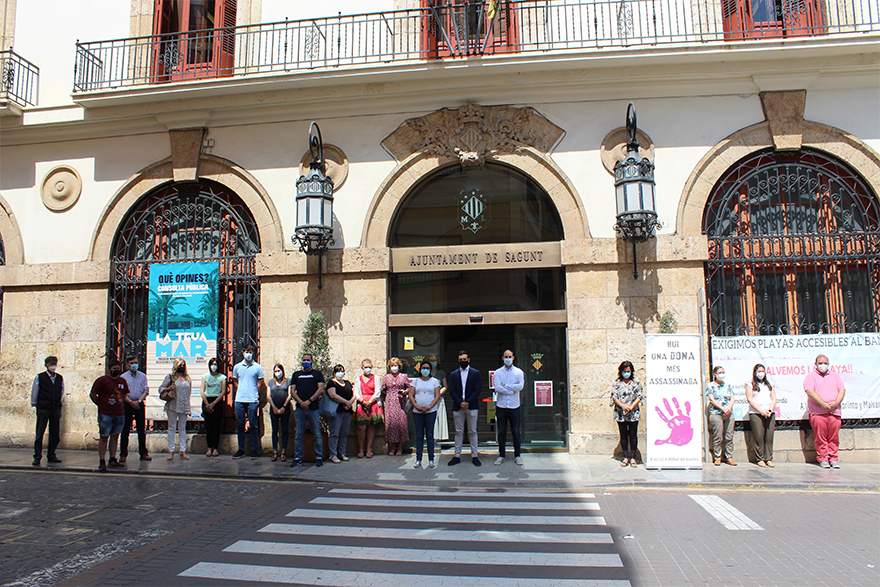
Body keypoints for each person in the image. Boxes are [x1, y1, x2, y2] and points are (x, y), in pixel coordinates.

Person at [804, 354, 846, 469]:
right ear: (816, 364)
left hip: (834, 412)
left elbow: (842, 390)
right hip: (818, 413)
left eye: (825, 363)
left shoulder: (835, 376)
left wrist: (836, 402)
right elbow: (809, 391)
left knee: (833, 437)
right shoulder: (811, 376)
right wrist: (822, 404)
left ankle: (833, 458)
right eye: (821, 363)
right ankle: (823, 458)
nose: (823, 365)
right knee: (820, 437)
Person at [89, 359, 128, 472]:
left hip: (119, 413)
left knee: (115, 436)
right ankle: (102, 460)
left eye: (118, 368)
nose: (117, 370)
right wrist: (100, 404)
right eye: (114, 368)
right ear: (109, 369)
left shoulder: (122, 381)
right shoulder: (102, 381)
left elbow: (125, 393)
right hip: (106, 413)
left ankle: (112, 458)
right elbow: (93, 394)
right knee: (104, 436)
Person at [447, 350, 483, 466]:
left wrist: (467, 402)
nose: (463, 361)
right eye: (461, 360)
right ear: (458, 361)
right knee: (458, 432)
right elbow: (451, 390)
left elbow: (477, 390)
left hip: (472, 406)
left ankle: (475, 455)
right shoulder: (453, 374)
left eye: (465, 359)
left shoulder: (475, 373)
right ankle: (457, 455)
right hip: (458, 407)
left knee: (472, 431)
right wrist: (460, 402)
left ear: (469, 360)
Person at [290, 353, 325, 467]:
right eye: (304, 360)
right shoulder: (296, 374)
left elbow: (320, 389)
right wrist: (301, 402)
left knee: (317, 433)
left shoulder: (317, 374)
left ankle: (319, 457)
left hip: (313, 408)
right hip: (300, 409)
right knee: (299, 434)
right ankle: (298, 457)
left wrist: (309, 401)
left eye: (308, 360)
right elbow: (292, 391)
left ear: (312, 361)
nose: (306, 362)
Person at [231, 344, 266, 459]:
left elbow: (261, 382)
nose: (249, 354)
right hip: (240, 399)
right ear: (243, 353)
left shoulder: (257, 367)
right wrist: (240, 389)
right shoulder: (237, 367)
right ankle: (241, 449)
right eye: (247, 351)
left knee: (253, 425)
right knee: (240, 425)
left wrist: (256, 392)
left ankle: (254, 449)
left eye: (251, 351)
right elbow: (235, 380)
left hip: (252, 399)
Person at [31, 356, 65, 467]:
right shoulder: (40, 377)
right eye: (51, 363)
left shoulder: (59, 378)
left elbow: (61, 391)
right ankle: (37, 456)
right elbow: (35, 391)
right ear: (46, 365)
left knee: (54, 432)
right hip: (44, 407)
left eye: (55, 363)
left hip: (55, 407)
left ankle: (51, 454)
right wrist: (35, 404)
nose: (53, 366)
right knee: (40, 432)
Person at [494, 349, 525, 466]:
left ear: (513, 357)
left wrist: (505, 386)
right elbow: (497, 388)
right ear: (502, 358)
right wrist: (512, 389)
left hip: (514, 406)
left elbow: (520, 386)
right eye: (505, 356)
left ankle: (517, 455)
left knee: (516, 431)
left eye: (509, 356)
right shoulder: (497, 373)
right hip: (501, 406)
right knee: (502, 432)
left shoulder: (518, 372)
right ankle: (501, 455)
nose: (507, 358)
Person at [408, 360, 441, 468]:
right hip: (417, 412)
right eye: (423, 368)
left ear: (430, 370)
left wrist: (429, 407)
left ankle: (431, 459)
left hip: (430, 411)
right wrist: (417, 407)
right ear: (420, 369)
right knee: (419, 436)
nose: (425, 370)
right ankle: (418, 459)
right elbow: (411, 395)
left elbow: (437, 396)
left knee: (430, 435)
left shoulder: (434, 381)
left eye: (427, 368)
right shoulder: (416, 381)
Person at [610, 360, 643, 467]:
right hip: (621, 413)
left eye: (628, 371)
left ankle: (633, 457)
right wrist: (623, 406)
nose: (626, 373)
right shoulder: (617, 383)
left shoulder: (636, 382)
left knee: (633, 435)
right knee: (623, 435)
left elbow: (639, 396)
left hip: (633, 413)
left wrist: (631, 406)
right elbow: (614, 397)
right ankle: (625, 457)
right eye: (624, 371)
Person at [159, 357, 192, 460]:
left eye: (183, 365)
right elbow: (160, 389)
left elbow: (189, 393)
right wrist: (169, 388)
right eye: (179, 365)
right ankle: (171, 451)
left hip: (184, 405)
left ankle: (183, 450)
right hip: (173, 405)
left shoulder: (187, 378)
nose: (181, 367)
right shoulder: (170, 377)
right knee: (172, 427)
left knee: (182, 428)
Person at [745, 363, 777, 467]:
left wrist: (770, 409)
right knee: (759, 436)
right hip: (756, 413)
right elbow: (750, 399)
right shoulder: (750, 384)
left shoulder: (769, 384)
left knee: (769, 436)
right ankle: (760, 458)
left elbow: (774, 398)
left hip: (769, 413)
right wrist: (761, 411)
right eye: (759, 371)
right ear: (755, 373)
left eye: (762, 371)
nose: (761, 373)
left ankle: (769, 458)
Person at [120, 356, 151, 463]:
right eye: (132, 363)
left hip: (139, 403)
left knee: (141, 430)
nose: (134, 365)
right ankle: (123, 454)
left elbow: (146, 390)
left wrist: (139, 401)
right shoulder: (123, 377)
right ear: (128, 364)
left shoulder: (142, 376)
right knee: (125, 430)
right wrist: (131, 402)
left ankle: (143, 453)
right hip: (127, 403)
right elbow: (122, 393)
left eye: (136, 362)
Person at [706, 365, 736, 466]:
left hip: (728, 413)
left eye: (723, 372)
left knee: (729, 436)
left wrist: (729, 408)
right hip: (716, 413)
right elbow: (712, 399)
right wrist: (722, 408)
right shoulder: (711, 385)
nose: (721, 374)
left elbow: (732, 397)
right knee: (718, 436)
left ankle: (729, 457)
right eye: (719, 373)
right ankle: (717, 457)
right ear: (715, 374)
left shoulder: (728, 385)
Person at [326, 364, 355, 463]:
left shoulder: (347, 383)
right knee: (334, 433)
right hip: (336, 412)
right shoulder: (332, 383)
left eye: (342, 370)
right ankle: (333, 454)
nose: (340, 373)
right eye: (338, 371)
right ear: (334, 373)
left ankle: (342, 453)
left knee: (344, 433)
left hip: (347, 411)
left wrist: (350, 403)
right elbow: (333, 395)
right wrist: (345, 402)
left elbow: (354, 394)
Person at [354, 359, 383, 458]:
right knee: (361, 427)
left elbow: (378, 391)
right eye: (366, 367)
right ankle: (360, 449)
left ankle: (369, 448)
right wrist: (363, 401)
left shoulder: (376, 378)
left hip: (373, 403)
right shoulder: (358, 379)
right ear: (362, 368)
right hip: (362, 404)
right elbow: (356, 392)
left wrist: (370, 401)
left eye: (369, 367)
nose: (368, 369)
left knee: (371, 426)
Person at [381, 357, 409, 456]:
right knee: (392, 424)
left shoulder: (404, 376)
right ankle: (393, 447)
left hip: (400, 402)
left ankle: (400, 447)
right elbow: (383, 389)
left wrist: (405, 391)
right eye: (392, 366)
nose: (394, 367)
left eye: (395, 365)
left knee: (401, 424)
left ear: (399, 366)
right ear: (389, 367)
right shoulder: (386, 377)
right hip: (390, 402)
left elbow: (409, 388)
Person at [200, 357, 227, 457]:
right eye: (212, 364)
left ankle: (215, 448)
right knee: (208, 426)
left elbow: (223, 391)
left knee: (216, 426)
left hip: (217, 402)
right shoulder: (205, 376)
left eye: (215, 364)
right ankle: (209, 447)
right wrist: (207, 404)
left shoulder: (222, 377)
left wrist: (214, 403)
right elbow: (202, 390)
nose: (213, 366)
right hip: (207, 400)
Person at [267, 363, 291, 462]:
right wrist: (273, 407)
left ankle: (283, 452)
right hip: (274, 409)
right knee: (274, 430)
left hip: (285, 409)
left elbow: (290, 395)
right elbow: (268, 396)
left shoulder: (288, 381)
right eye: (275, 371)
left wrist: (284, 406)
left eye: (279, 371)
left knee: (284, 429)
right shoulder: (270, 382)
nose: (277, 373)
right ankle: (275, 452)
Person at [425, 354, 449, 444]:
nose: (432, 363)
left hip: (438, 399)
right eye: (430, 361)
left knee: (438, 419)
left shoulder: (441, 373)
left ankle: (436, 440)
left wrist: (438, 394)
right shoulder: (424, 373)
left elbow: (445, 386)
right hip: (427, 399)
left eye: (434, 361)